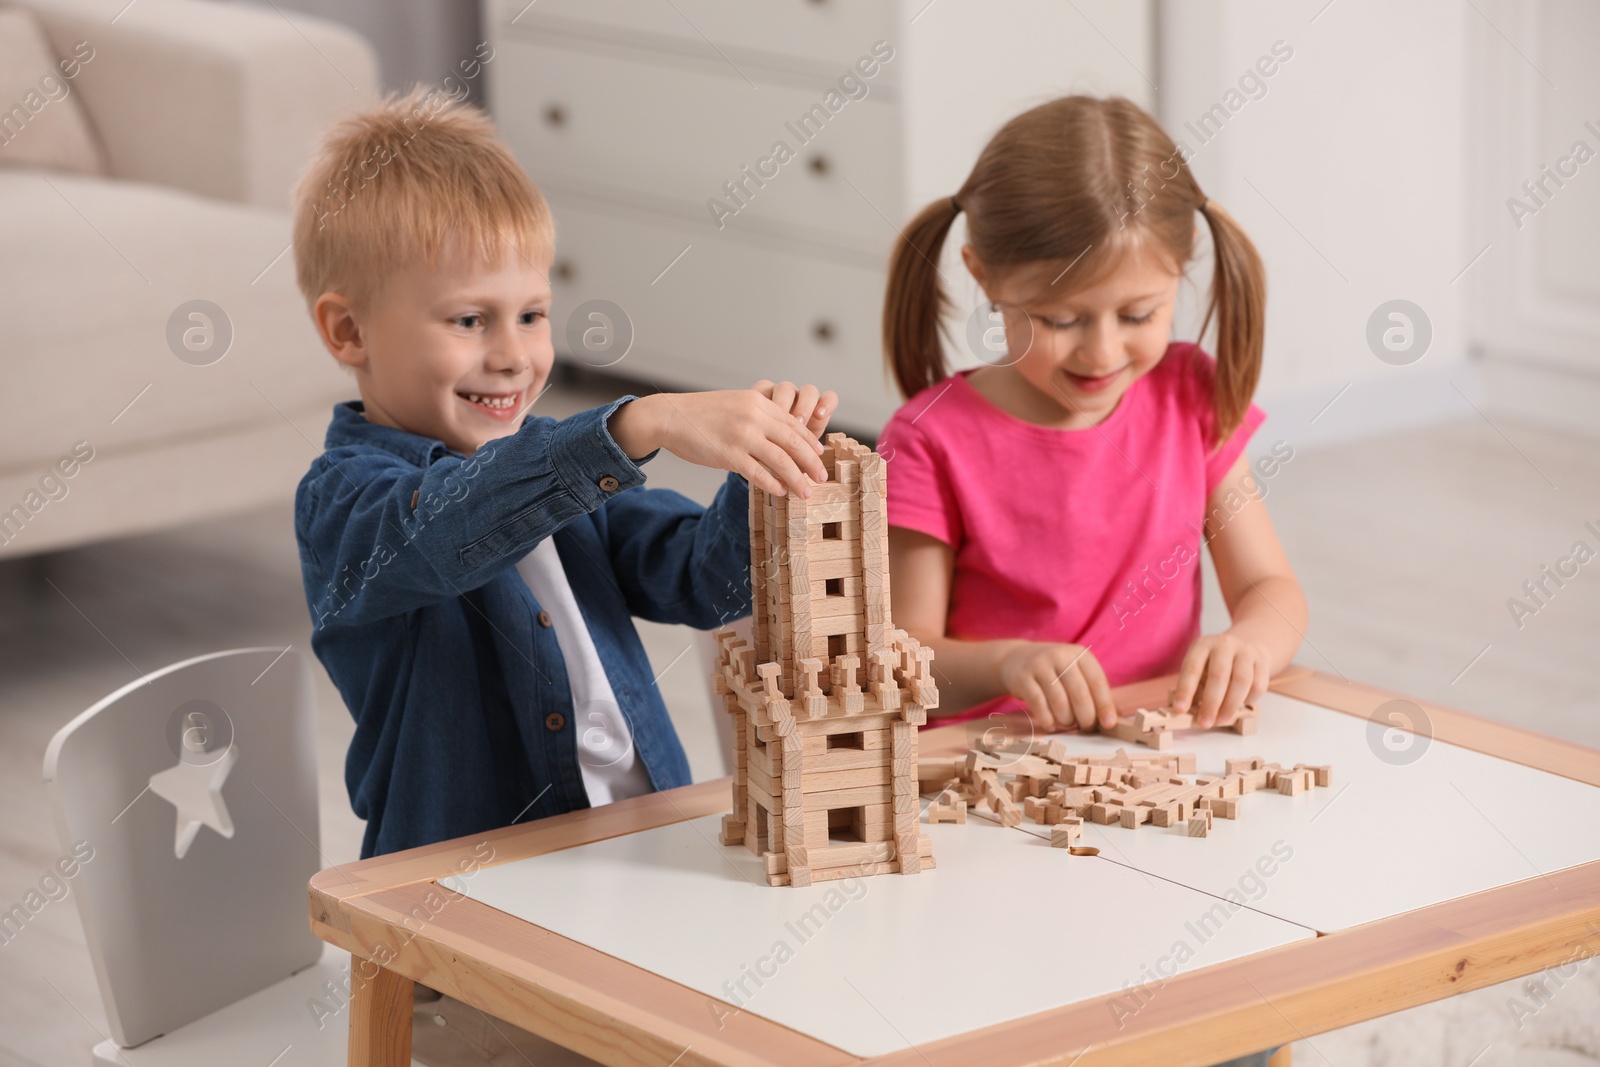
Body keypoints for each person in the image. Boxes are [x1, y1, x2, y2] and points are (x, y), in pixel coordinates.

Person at [289, 88, 834, 1063]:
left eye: (533, 313)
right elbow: (448, 528)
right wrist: (633, 425)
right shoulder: (345, 500)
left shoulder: (549, 457)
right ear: (348, 332)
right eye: (469, 319)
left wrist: (766, 475)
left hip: (637, 885)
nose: (513, 354)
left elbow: (702, 585)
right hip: (468, 937)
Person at [878, 92, 1301, 1067]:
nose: (1102, 351)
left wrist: (1248, 642)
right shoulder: (932, 440)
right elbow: (909, 666)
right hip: (993, 793)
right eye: (1059, 319)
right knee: (1029, 1006)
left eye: (1137, 314)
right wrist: (1010, 660)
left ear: (1181, 276)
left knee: (1230, 993)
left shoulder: (1194, 397)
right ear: (981, 275)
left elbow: (1274, 591)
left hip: (1160, 773)